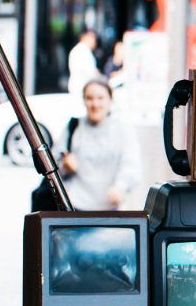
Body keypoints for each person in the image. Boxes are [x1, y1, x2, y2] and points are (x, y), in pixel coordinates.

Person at [60, 78, 142, 210]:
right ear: (83, 100)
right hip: (73, 209)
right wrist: (64, 166)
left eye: (100, 98)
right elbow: (52, 166)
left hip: (108, 211)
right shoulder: (73, 127)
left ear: (110, 99)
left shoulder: (123, 128)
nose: (95, 104)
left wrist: (121, 185)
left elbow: (131, 164)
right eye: (89, 98)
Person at [67, 31, 99, 96]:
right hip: (80, 87)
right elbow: (88, 71)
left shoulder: (83, 50)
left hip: (82, 87)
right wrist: (97, 74)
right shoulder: (81, 50)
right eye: (93, 40)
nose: (95, 43)